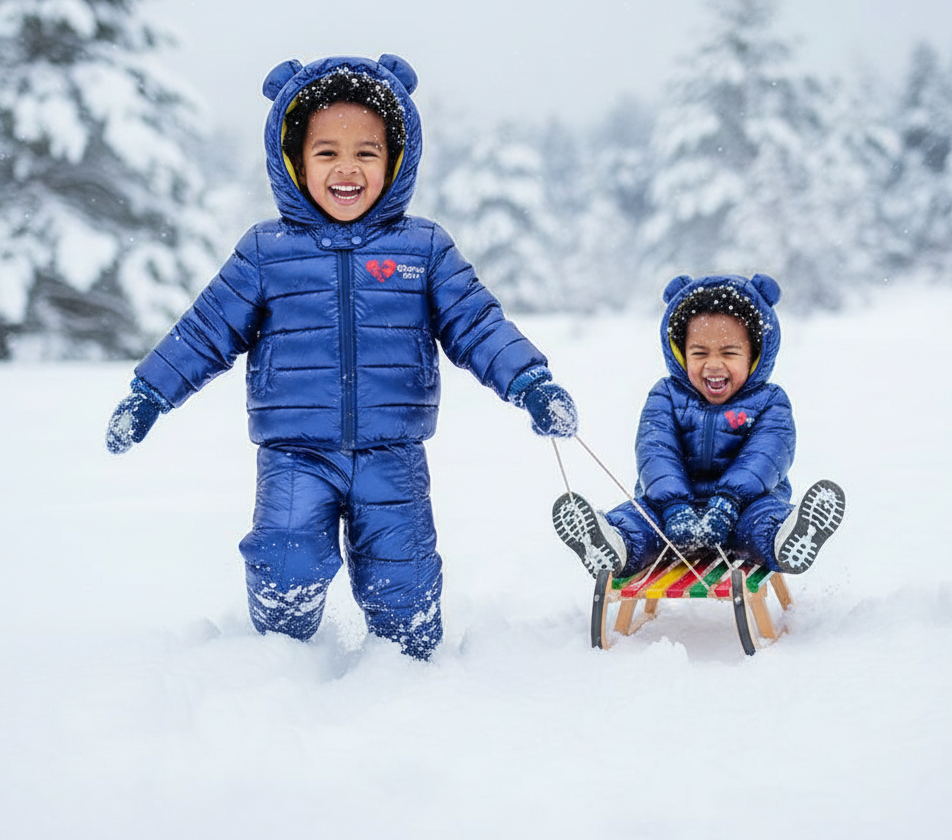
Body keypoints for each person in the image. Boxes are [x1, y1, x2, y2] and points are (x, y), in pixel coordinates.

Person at [106, 53, 578, 659]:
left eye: (367, 153)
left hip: (392, 453)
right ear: (295, 162)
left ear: (396, 160)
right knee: (286, 557)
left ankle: (408, 677)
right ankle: (279, 666)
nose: (346, 169)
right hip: (296, 451)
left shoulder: (423, 248)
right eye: (327, 152)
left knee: (403, 580)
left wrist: (531, 383)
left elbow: (478, 324)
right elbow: (204, 332)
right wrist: (148, 396)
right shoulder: (266, 252)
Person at [552, 272, 844, 580]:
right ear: (680, 353)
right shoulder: (665, 396)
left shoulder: (770, 401)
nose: (714, 364)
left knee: (761, 521)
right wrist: (674, 505)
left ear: (755, 355)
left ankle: (787, 535)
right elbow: (655, 452)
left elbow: (767, 455)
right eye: (699, 353)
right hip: (669, 513)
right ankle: (613, 542)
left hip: (743, 509)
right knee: (639, 519)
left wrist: (728, 502)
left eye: (729, 353)